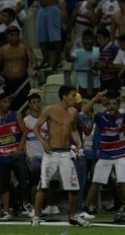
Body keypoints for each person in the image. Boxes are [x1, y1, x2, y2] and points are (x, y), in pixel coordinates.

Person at [31, 85, 89, 227]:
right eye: (73, 95)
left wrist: (78, 142)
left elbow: (73, 129)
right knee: (43, 185)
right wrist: (44, 142)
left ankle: (73, 215)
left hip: (65, 152)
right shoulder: (50, 110)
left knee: (74, 187)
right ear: (64, 96)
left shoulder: (73, 112)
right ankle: (36, 216)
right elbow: (36, 127)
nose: (75, 98)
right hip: (51, 153)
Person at [82, 90, 125, 219]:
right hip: (105, 155)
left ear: (118, 106)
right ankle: (85, 208)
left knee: (123, 181)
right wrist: (94, 99)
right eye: (109, 104)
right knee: (96, 181)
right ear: (106, 106)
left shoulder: (123, 117)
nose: (111, 106)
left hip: (120, 154)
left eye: (114, 104)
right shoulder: (101, 116)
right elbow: (85, 112)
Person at [0, 90, 31, 220]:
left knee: (25, 182)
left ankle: (27, 206)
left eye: (9, 101)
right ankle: (6, 211)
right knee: (3, 185)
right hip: (2, 156)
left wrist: (19, 149)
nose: (7, 104)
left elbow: (24, 132)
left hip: (16, 154)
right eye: (4, 101)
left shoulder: (16, 115)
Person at [0, 25, 36, 111]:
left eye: (16, 34)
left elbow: (34, 61)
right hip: (9, 82)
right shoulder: (2, 50)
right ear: (7, 36)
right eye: (12, 35)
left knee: (26, 105)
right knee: (11, 106)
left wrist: (32, 69)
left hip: (23, 81)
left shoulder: (25, 47)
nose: (15, 37)